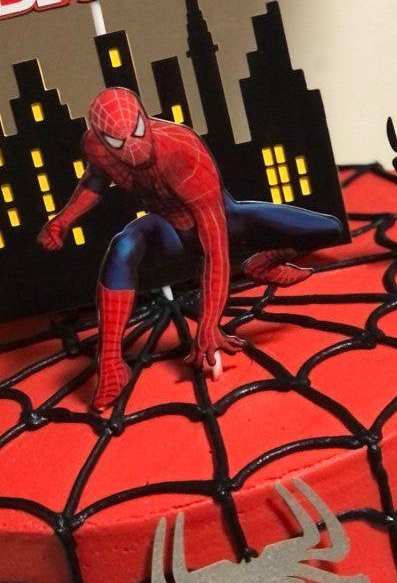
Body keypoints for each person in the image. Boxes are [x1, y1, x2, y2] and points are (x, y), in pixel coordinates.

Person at [38, 87, 342, 411]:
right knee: (123, 245)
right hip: (167, 229)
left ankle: (262, 263)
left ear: (144, 118)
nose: (132, 149)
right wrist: (64, 220)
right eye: (117, 141)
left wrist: (209, 323)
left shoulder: (183, 150)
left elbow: (215, 249)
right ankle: (111, 361)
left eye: (136, 132)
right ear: (102, 137)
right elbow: (95, 181)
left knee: (327, 228)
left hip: (226, 221)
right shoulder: (96, 146)